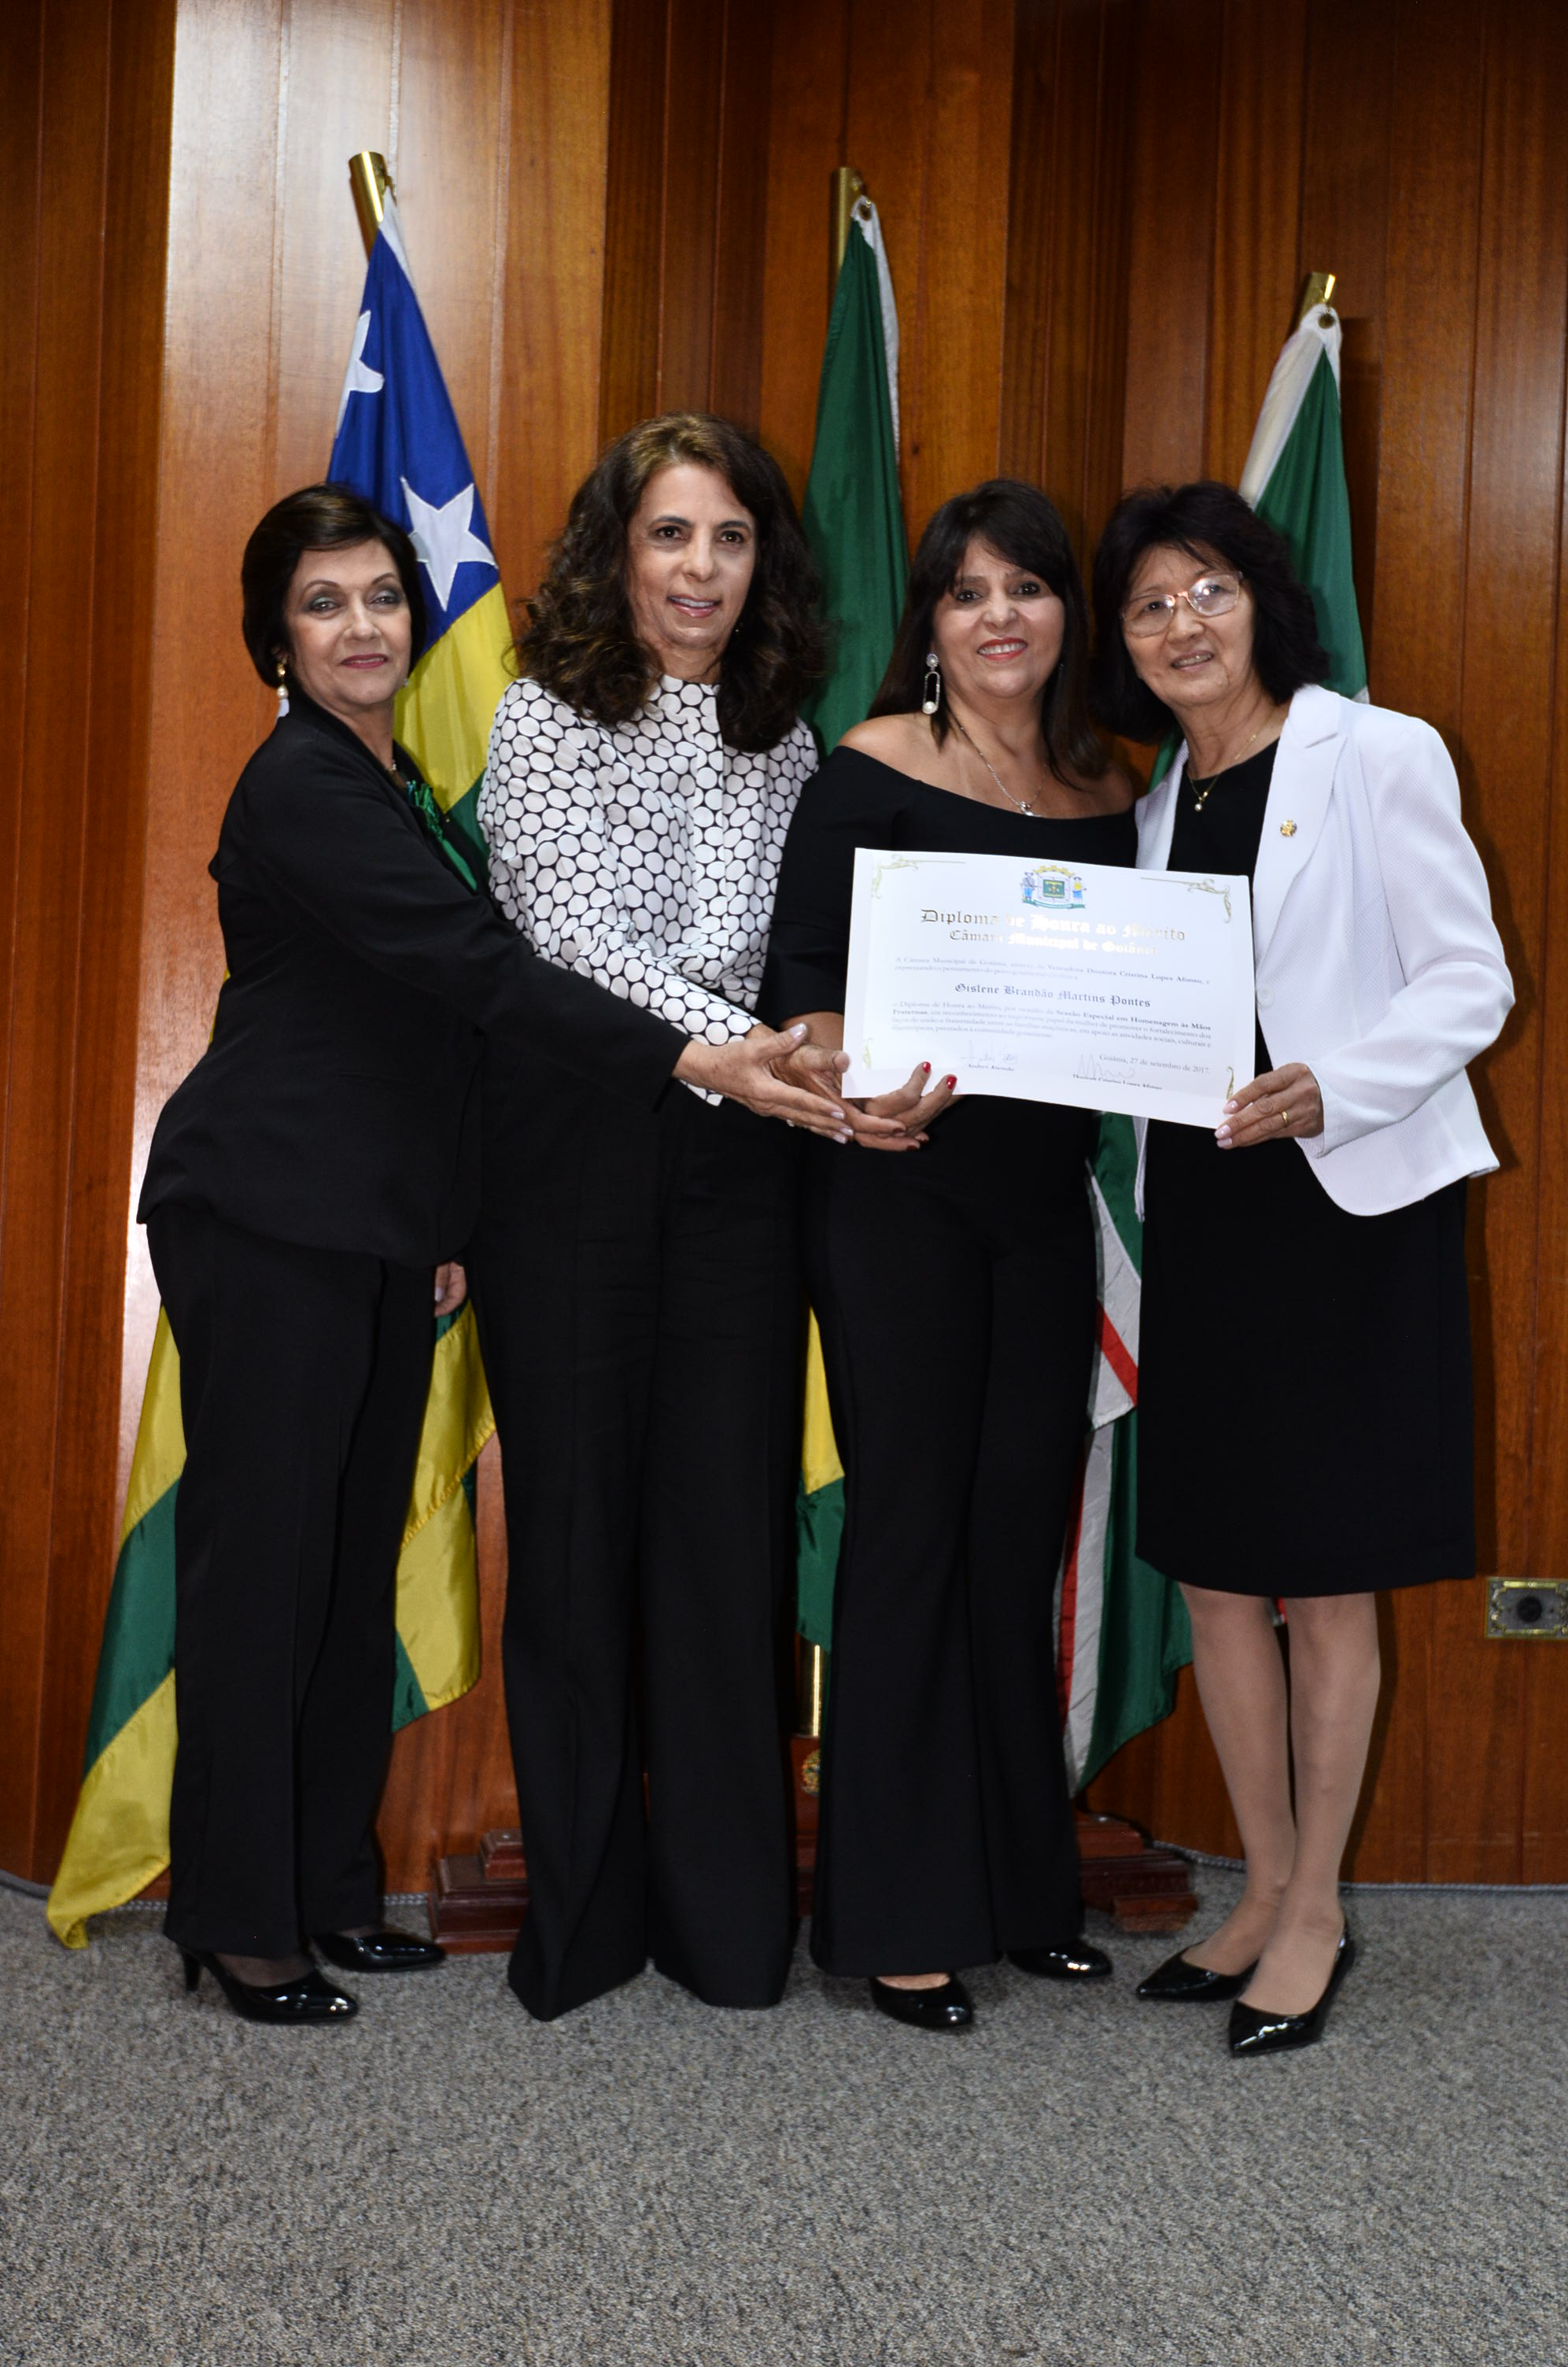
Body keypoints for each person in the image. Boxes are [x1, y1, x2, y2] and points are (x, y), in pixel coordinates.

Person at [138, 484, 850, 2026]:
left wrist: (452, 1221)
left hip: (380, 1224)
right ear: (273, 639)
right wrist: (694, 1055)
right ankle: (239, 1923)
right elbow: (474, 969)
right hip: (268, 1212)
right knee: (265, 1574)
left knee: (341, 1571)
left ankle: (327, 1890)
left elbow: (424, 1041)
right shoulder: (301, 784)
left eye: (382, 597)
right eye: (322, 603)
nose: (362, 627)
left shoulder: (384, 779)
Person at [470, 415, 902, 2022]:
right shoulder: (543, 709)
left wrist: (821, 1049)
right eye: (670, 534)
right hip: (574, 1161)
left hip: (740, 1170)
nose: (700, 568)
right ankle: (581, 1925)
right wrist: (738, 1052)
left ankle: (729, 1932)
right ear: (618, 552)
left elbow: (797, 953)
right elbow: (565, 933)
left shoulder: (784, 738)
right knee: (576, 1543)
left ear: (760, 560)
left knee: (725, 1545)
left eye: (729, 537)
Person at [1090, 480, 1513, 2055]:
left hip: (1347, 1209)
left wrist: (1334, 1083)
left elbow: (1468, 980)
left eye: (1207, 589)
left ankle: (1318, 1907)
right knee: (1215, 1569)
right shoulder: (1151, 809)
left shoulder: (1375, 753)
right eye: (1148, 605)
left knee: (1324, 1576)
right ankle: (1259, 1886)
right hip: (1207, 1213)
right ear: (1123, 645)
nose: (1180, 624)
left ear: (1264, 602)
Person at [762, 480, 1137, 2032]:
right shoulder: (866, 767)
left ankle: (1019, 1890)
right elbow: (799, 978)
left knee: (1013, 1537)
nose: (999, 616)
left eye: (1026, 587)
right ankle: (894, 1916)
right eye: (968, 591)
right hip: (893, 1192)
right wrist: (847, 1077)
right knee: (913, 1529)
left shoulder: (1106, 788)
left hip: (1041, 1210)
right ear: (930, 620)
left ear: (1065, 614)